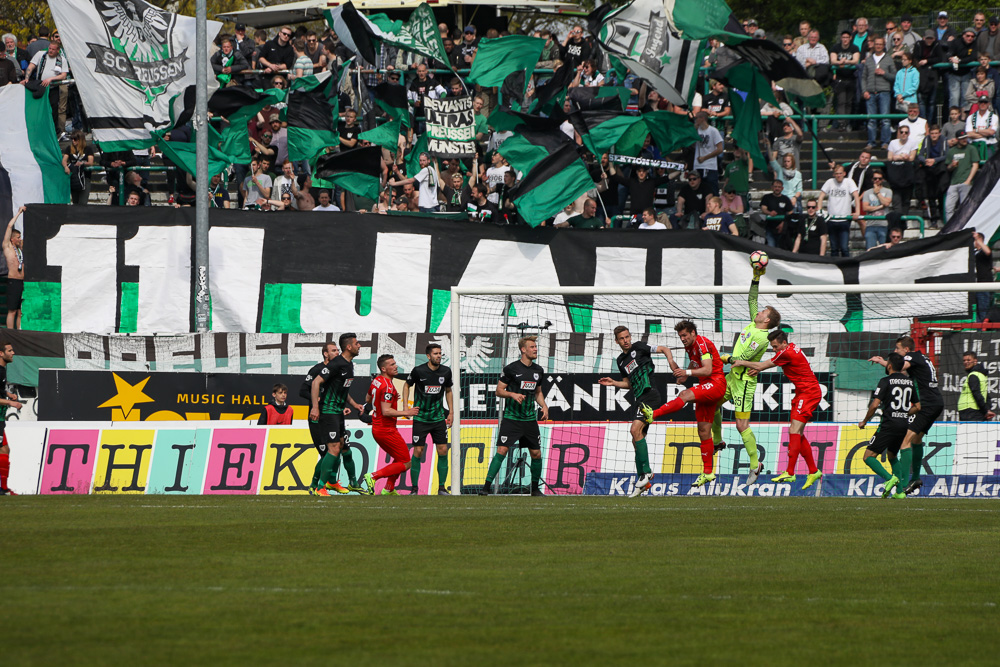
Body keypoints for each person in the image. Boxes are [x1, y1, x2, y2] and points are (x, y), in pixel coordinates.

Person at [713, 269, 780, 485]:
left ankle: (755, 464)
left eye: (762, 311)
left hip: (744, 383)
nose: (758, 311)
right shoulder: (753, 323)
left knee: (741, 425)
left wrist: (721, 357)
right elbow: (752, 298)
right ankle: (717, 442)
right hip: (733, 378)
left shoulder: (761, 338)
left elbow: (740, 358)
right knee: (712, 404)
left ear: (767, 320)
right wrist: (756, 276)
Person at [640, 321, 727, 488]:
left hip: (716, 384)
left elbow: (708, 370)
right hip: (706, 386)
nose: (682, 338)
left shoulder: (702, 344)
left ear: (693, 333)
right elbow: (696, 364)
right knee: (703, 431)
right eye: (680, 336)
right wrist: (685, 376)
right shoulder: (691, 347)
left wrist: (686, 372)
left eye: (685, 335)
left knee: (685, 395)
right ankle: (708, 472)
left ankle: (654, 415)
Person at [732, 330, 823, 489]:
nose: (774, 349)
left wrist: (741, 362)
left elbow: (762, 364)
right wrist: (759, 369)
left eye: (775, 346)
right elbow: (768, 365)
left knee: (794, 431)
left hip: (809, 393)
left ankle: (790, 472)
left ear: (783, 343)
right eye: (772, 347)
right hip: (803, 392)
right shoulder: (791, 349)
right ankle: (813, 471)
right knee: (798, 433)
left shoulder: (786, 353)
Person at [599, 326, 671, 498]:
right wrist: (613, 383)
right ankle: (643, 482)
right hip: (639, 398)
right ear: (616, 341)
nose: (626, 340)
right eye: (622, 338)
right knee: (636, 438)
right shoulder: (620, 361)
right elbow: (628, 383)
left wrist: (672, 363)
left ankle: (647, 473)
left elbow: (663, 349)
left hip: (651, 395)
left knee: (634, 430)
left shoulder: (639, 347)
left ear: (630, 337)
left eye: (627, 337)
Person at [869, 335, 944, 495]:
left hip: (927, 404)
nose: (896, 351)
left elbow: (900, 367)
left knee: (905, 441)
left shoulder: (912, 356)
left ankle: (902, 485)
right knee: (916, 439)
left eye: (898, 348)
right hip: (936, 402)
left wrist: (884, 363)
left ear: (906, 350)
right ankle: (915, 478)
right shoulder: (922, 358)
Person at [479, 336, 549, 496]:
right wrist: (512, 394)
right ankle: (486, 488)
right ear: (523, 350)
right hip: (512, 419)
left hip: (530, 420)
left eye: (535, 347)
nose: (535, 349)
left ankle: (534, 489)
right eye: (532, 347)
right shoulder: (511, 369)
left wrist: (544, 405)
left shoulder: (538, 371)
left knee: (536, 453)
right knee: (502, 450)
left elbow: (537, 392)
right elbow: (499, 390)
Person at [857, 353, 920, 499]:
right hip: (903, 425)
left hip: (888, 424)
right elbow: (917, 406)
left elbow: (874, 405)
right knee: (892, 456)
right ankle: (899, 492)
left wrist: (865, 420)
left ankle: (889, 479)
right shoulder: (909, 382)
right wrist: (903, 413)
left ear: (889, 365)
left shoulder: (885, 381)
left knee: (868, 457)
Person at [315, 333, 366, 495]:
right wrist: (315, 407)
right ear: (349, 347)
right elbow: (316, 382)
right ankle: (320, 487)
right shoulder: (336, 364)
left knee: (344, 447)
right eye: (357, 343)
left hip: (338, 412)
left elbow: (342, 389)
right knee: (334, 449)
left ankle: (353, 483)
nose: (360, 346)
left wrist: (354, 404)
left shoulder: (349, 365)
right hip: (328, 411)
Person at [362, 355, 420, 496]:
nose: (396, 366)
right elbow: (386, 411)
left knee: (399, 458)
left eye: (395, 363)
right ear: (384, 368)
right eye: (392, 364)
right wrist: (406, 411)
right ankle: (373, 476)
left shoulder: (377, 380)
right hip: (385, 429)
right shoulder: (387, 386)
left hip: (379, 428)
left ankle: (389, 489)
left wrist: (391, 397)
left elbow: (368, 399)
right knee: (406, 463)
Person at [403, 343, 454, 495]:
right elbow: (407, 386)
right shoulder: (419, 371)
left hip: (438, 418)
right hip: (421, 418)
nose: (439, 356)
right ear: (428, 356)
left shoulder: (446, 371)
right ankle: (414, 488)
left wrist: (451, 412)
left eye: (440, 353)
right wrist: (406, 407)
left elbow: (448, 391)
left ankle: (441, 488)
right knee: (418, 451)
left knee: (443, 450)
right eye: (436, 353)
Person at [303, 341, 339, 495]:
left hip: (331, 417)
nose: (337, 352)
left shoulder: (336, 371)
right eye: (334, 350)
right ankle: (315, 485)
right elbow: (302, 390)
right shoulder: (317, 369)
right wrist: (315, 399)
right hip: (316, 418)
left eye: (338, 350)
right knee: (326, 453)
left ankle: (328, 483)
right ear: (325, 353)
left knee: (335, 452)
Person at [818, 164, 861, 257]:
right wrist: (819, 210)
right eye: (836, 173)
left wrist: (857, 212)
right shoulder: (830, 182)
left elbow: (856, 196)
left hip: (845, 219)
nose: (838, 175)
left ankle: (847, 267)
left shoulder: (849, 182)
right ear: (834, 174)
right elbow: (821, 196)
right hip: (831, 219)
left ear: (844, 173)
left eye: (840, 173)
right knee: (834, 248)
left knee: (844, 247)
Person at [862, 37, 897, 150]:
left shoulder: (888, 59)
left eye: (880, 44)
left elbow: (895, 76)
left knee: (885, 119)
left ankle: (885, 142)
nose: (878, 46)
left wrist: (884, 73)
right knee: (871, 119)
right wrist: (864, 91)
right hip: (871, 92)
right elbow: (863, 77)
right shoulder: (869, 59)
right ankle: (871, 142)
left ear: (883, 45)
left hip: (884, 92)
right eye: (876, 44)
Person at [0, 342, 22, 495]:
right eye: (9, 350)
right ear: (1, 354)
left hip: (1, 417)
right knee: (3, 449)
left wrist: (8, 394)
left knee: (5, 449)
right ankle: (3, 489)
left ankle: (4, 488)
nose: (13, 353)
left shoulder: (2, 370)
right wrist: (11, 402)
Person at [944, 131, 980, 221]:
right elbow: (948, 167)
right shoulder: (952, 151)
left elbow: (975, 165)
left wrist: (968, 180)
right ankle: (951, 229)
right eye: (962, 138)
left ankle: (963, 227)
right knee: (948, 207)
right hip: (954, 182)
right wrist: (952, 165)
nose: (965, 140)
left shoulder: (971, 148)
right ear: (957, 140)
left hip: (965, 181)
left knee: (964, 208)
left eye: (965, 137)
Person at [860, 171, 899, 248]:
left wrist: (878, 193)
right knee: (870, 249)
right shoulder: (867, 192)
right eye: (875, 178)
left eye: (879, 179)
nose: (877, 180)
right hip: (870, 225)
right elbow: (865, 208)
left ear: (882, 180)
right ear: (872, 179)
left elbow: (887, 203)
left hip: (883, 225)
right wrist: (880, 207)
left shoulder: (888, 191)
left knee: (884, 249)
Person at [830, 31, 861, 127]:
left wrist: (845, 61)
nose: (845, 39)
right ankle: (841, 123)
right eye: (843, 37)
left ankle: (847, 122)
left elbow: (856, 60)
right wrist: (840, 62)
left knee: (849, 102)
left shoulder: (854, 48)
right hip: (840, 79)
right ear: (841, 38)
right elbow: (833, 60)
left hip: (851, 78)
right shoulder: (836, 47)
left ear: (850, 38)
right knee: (841, 101)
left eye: (847, 37)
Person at [693, 111, 724, 194]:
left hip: (710, 166)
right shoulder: (696, 131)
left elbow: (720, 149)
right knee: (699, 191)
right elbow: (690, 145)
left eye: (697, 118)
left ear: (702, 118)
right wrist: (693, 131)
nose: (695, 120)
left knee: (712, 190)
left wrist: (705, 157)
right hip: (698, 165)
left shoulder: (713, 131)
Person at [4, 208, 24, 330]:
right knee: (12, 311)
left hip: (22, 282)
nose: (20, 239)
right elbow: (9, 226)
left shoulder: (20, 248)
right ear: (12, 238)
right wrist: (19, 212)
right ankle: (10, 335)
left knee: (20, 311)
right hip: (14, 281)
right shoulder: (7, 247)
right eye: (18, 237)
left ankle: (20, 334)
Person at [959, 351, 994, 421]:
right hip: (975, 411)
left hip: (970, 411)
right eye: (964, 360)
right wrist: (987, 410)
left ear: (975, 361)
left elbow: (977, 394)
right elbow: (987, 396)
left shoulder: (973, 375)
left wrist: (986, 410)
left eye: (968, 360)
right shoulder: (981, 375)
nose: (966, 362)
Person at [62, 131, 94, 205]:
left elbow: (91, 162)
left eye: (75, 139)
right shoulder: (69, 148)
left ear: (80, 140)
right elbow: (64, 160)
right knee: (75, 202)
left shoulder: (88, 149)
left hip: (85, 177)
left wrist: (82, 163)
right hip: (74, 177)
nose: (73, 141)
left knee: (83, 202)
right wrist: (65, 166)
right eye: (72, 139)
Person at [760, 179, 794, 247]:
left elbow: (790, 212)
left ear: (782, 188)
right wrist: (770, 213)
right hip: (769, 228)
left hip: (782, 229)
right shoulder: (766, 197)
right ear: (772, 187)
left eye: (779, 187)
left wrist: (783, 223)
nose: (777, 188)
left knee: (780, 248)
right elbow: (763, 209)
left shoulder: (786, 199)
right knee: (771, 247)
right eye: (775, 186)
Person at [974, 231, 994, 319]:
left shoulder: (983, 252)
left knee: (983, 309)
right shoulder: (975, 253)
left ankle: (982, 330)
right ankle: (979, 330)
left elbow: (988, 252)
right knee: (978, 310)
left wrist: (978, 240)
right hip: (977, 283)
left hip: (984, 283)